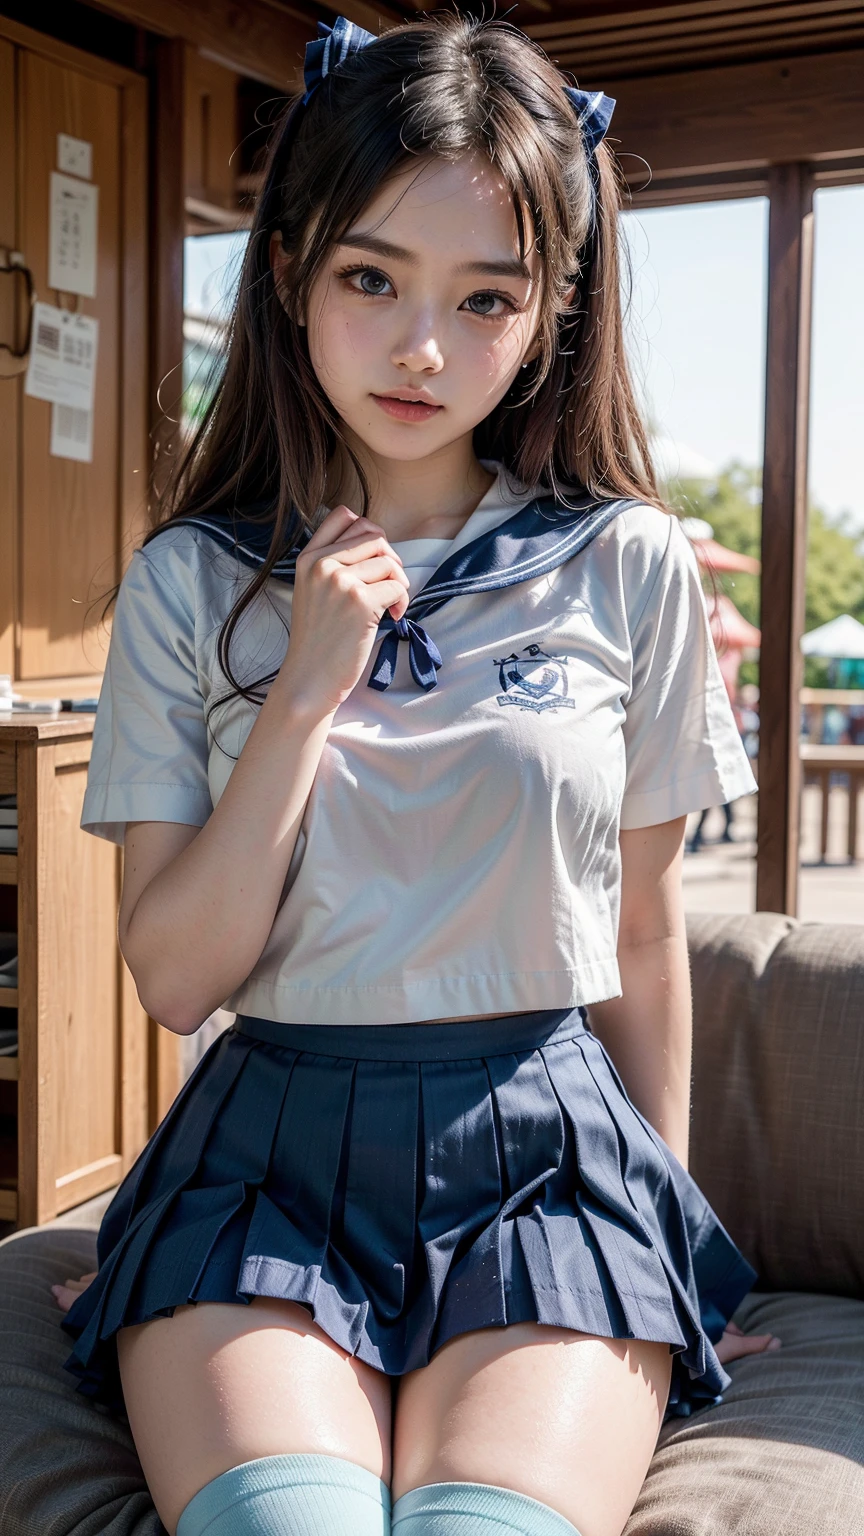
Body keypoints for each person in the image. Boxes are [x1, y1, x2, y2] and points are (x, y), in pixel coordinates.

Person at [52, 17, 781, 1536]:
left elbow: (642, 938)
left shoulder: (626, 562)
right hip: (265, 1159)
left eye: (486, 296)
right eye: (372, 278)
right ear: (290, 271)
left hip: (549, 1156)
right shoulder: (191, 582)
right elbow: (178, 980)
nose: (424, 347)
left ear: (549, 320)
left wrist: (674, 1235)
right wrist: (307, 687)